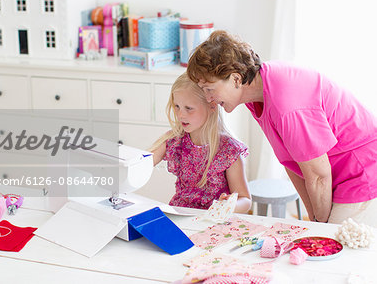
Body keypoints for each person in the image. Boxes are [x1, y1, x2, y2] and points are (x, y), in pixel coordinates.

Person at [187, 30, 377, 226]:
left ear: (236, 79)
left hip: (361, 169)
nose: (208, 98)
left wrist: (320, 226)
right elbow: (294, 164)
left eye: (209, 89)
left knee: (339, 246)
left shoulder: (287, 104)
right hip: (336, 173)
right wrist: (314, 219)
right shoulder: (257, 95)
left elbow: (319, 175)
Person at [151, 72, 251, 212]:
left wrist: (229, 205)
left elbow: (245, 200)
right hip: (181, 216)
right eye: (177, 106)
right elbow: (143, 162)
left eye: (189, 108)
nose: (180, 114)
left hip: (214, 220)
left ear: (212, 106)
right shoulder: (174, 140)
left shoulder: (229, 150)